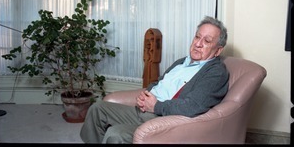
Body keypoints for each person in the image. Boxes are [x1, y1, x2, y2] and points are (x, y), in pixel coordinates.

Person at [80, 16, 229, 143]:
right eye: (197, 36)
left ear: (218, 50)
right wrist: (146, 95)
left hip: (161, 119)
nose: (198, 43)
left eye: (207, 41)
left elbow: (192, 106)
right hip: (145, 109)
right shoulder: (182, 62)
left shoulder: (216, 73)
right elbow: (159, 83)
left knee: (115, 134)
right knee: (97, 108)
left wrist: (156, 106)